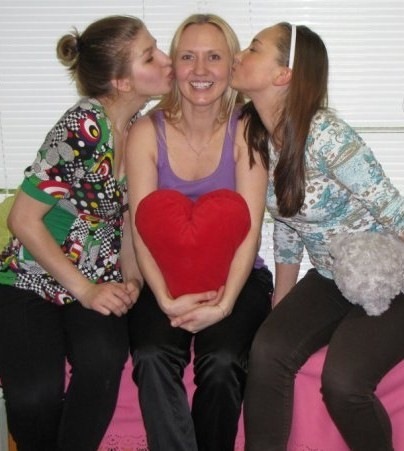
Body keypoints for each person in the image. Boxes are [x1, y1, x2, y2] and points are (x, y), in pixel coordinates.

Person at [0, 15, 173, 451]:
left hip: (96, 278)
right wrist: (87, 290)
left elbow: (127, 222)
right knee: (34, 396)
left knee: (104, 360)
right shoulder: (82, 126)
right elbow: (22, 219)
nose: (166, 60)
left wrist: (131, 280)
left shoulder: (138, 130)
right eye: (150, 56)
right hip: (31, 277)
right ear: (121, 82)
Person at [230, 22, 404, 451]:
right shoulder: (259, 136)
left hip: (391, 278)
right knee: (267, 350)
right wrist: (282, 301)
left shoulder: (327, 135)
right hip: (331, 277)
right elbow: (289, 225)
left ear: (283, 74)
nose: (239, 54)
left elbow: (392, 209)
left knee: (343, 382)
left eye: (253, 48)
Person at [125, 13, 273, 451]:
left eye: (214, 57)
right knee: (151, 356)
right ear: (174, 64)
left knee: (223, 362)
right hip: (163, 276)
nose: (201, 70)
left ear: (231, 65)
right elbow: (141, 229)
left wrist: (225, 305)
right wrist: (164, 298)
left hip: (237, 276)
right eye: (188, 57)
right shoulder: (145, 132)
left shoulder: (247, 129)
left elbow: (250, 230)